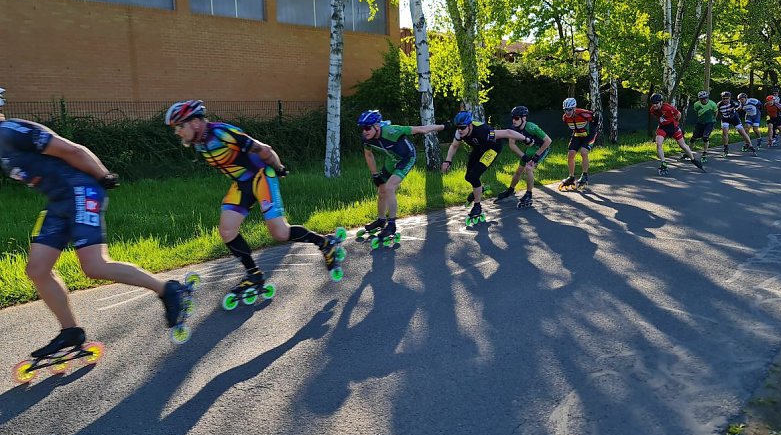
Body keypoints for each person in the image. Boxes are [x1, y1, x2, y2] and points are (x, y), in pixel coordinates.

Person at [0, 88, 190, 359]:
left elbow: (70, 149)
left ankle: (169, 290)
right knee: (37, 269)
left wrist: (102, 176)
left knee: (94, 265)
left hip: (80, 191)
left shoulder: (10, 131)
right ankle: (70, 331)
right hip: (58, 202)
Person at [165, 100, 345, 292]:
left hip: (261, 177)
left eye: (180, 126)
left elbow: (264, 149)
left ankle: (326, 243)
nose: (178, 132)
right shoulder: (199, 142)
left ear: (194, 122)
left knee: (280, 233)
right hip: (242, 184)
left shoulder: (221, 133)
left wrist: (278, 168)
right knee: (227, 231)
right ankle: (254, 275)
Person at [358, 109, 446, 240]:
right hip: (392, 159)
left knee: (389, 188)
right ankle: (381, 220)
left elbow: (421, 129)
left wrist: (444, 126)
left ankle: (392, 224)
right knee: (381, 190)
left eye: (367, 128)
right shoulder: (366, 138)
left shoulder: (393, 131)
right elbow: (368, 155)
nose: (364, 131)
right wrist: (375, 174)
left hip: (407, 157)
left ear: (377, 126)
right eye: (362, 128)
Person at [441, 110, 532, 222]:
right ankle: (480, 189)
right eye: (458, 127)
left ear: (470, 125)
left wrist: (526, 139)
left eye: (463, 127)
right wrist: (448, 161)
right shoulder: (459, 132)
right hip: (479, 148)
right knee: (468, 177)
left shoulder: (484, 131)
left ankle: (477, 206)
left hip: (492, 149)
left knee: (474, 176)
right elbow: (454, 146)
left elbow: (507, 132)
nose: (460, 130)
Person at [494, 106, 552, 208]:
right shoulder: (513, 128)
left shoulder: (531, 127)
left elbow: (548, 141)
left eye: (516, 118)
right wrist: (523, 156)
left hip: (541, 148)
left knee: (528, 169)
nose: (514, 120)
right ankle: (510, 190)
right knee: (518, 171)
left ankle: (529, 194)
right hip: (530, 149)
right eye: (513, 118)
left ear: (524, 118)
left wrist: (536, 156)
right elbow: (512, 144)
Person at [648, 93, 705, 175]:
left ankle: (693, 159)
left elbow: (679, 114)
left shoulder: (667, 108)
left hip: (673, 127)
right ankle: (663, 162)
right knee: (658, 144)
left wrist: (676, 122)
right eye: (653, 103)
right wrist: (663, 121)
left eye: (656, 103)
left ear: (661, 102)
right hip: (663, 128)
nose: (654, 105)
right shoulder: (652, 110)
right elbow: (657, 117)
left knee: (683, 145)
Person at [558, 97, 599, 190]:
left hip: (589, 135)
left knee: (584, 152)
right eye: (565, 110)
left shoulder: (584, 114)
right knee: (571, 154)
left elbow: (596, 117)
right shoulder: (565, 118)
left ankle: (584, 175)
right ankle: (571, 176)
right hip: (577, 135)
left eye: (569, 110)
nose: (567, 112)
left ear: (574, 108)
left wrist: (593, 128)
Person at [716, 91, 756, 157]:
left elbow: (740, 105)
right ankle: (725, 148)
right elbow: (717, 112)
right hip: (725, 118)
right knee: (725, 132)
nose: (725, 100)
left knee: (742, 133)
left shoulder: (733, 102)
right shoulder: (719, 104)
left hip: (734, 118)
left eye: (727, 98)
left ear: (729, 98)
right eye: (723, 98)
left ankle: (750, 145)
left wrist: (734, 109)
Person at [684, 90, 717, 162]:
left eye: (706, 98)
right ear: (699, 99)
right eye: (702, 99)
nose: (704, 100)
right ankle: (688, 153)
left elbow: (715, 112)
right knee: (693, 138)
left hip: (709, 122)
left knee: (705, 137)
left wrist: (713, 120)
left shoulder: (712, 104)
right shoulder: (696, 104)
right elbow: (697, 112)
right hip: (700, 122)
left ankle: (704, 153)